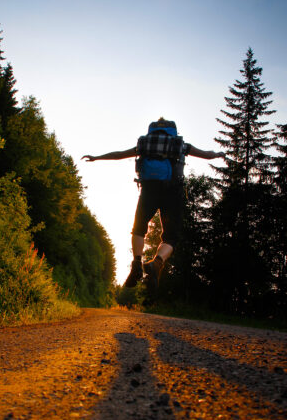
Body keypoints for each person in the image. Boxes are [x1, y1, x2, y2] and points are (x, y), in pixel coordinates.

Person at [82, 117, 225, 292]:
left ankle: (136, 263)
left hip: (149, 190)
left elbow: (118, 155)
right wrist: (217, 154)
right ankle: (157, 263)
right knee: (171, 237)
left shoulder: (144, 144)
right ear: (172, 130)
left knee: (139, 228)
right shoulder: (180, 144)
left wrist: (96, 158)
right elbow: (207, 154)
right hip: (173, 192)